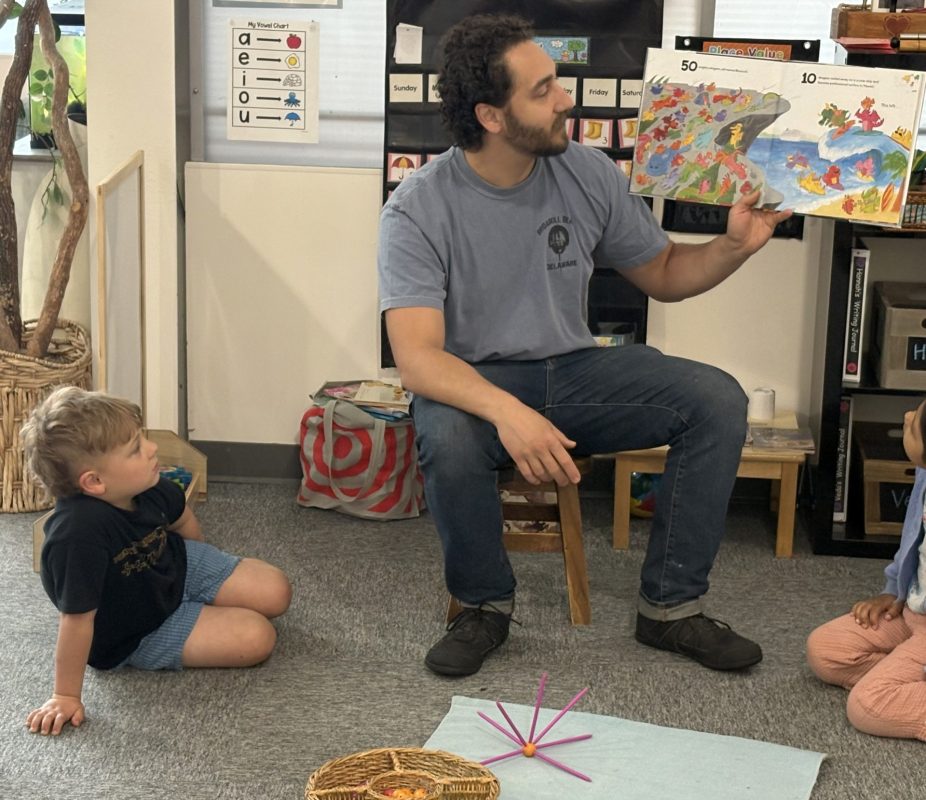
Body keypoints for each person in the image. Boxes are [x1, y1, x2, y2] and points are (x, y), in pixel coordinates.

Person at [378, 13, 791, 678]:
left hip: (575, 372)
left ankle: (670, 608)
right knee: (447, 435)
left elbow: (665, 275)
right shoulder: (417, 207)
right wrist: (509, 413)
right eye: (542, 90)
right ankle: (483, 605)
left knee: (716, 400)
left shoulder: (587, 171)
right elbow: (418, 358)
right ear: (490, 115)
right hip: (479, 382)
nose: (565, 98)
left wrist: (734, 245)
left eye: (558, 81)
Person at [21, 386, 292, 736]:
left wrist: (206, 578)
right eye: (136, 448)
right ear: (95, 481)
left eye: (143, 438)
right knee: (257, 637)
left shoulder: (147, 484)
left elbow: (182, 521)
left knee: (276, 591)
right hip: (140, 630)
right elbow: (76, 621)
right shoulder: (77, 537)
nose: (151, 449)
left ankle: (198, 602)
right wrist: (65, 695)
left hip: (173, 565)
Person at [807, 399, 926, 741]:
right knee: (825, 650)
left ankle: (894, 684)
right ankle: (901, 676)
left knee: (868, 706)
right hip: (913, 612)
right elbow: (912, 542)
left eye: (916, 421)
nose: (907, 416)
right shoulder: (924, 473)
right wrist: (894, 590)